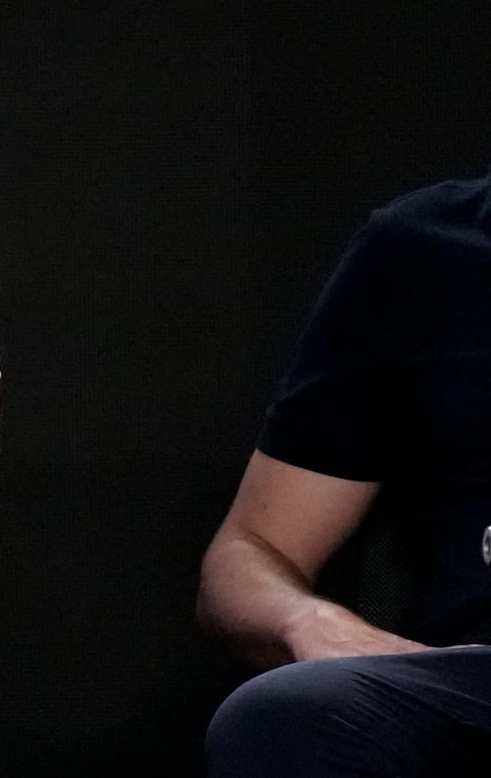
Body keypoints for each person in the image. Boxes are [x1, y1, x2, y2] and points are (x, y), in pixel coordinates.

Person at [197, 170, 491, 776]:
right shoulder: (428, 247)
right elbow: (247, 555)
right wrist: (311, 621)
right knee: (283, 713)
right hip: (471, 686)